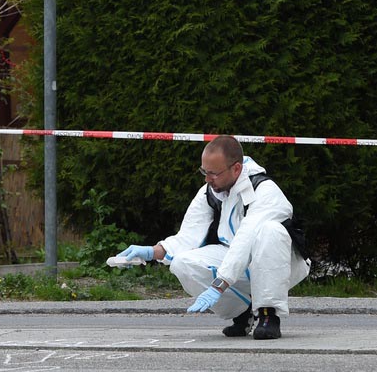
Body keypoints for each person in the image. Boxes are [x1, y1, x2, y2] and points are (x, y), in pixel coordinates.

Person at [114, 135, 310, 339]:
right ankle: (242, 313)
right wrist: (151, 252)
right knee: (182, 263)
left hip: (278, 265)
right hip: (235, 259)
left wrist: (219, 285)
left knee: (271, 231)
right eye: (204, 172)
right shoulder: (210, 191)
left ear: (236, 169)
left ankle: (268, 314)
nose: (207, 179)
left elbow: (246, 238)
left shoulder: (265, 191)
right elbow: (189, 235)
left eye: (213, 173)